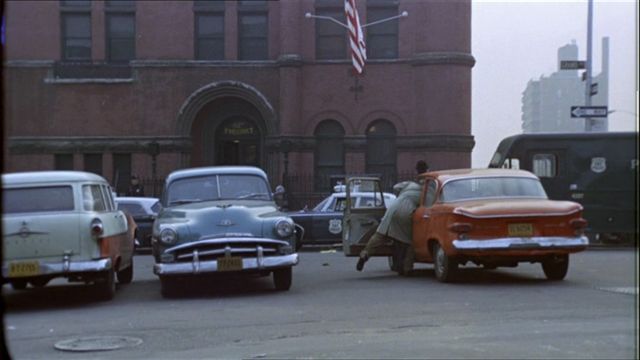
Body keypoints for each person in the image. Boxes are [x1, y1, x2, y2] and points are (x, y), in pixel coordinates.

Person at [356, 160, 428, 274]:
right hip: (407, 211)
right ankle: (407, 268)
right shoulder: (428, 187)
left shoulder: (409, 184)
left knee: (380, 235)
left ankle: (364, 254)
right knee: (410, 241)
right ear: (427, 170)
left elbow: (396, 187)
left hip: (393, 208)